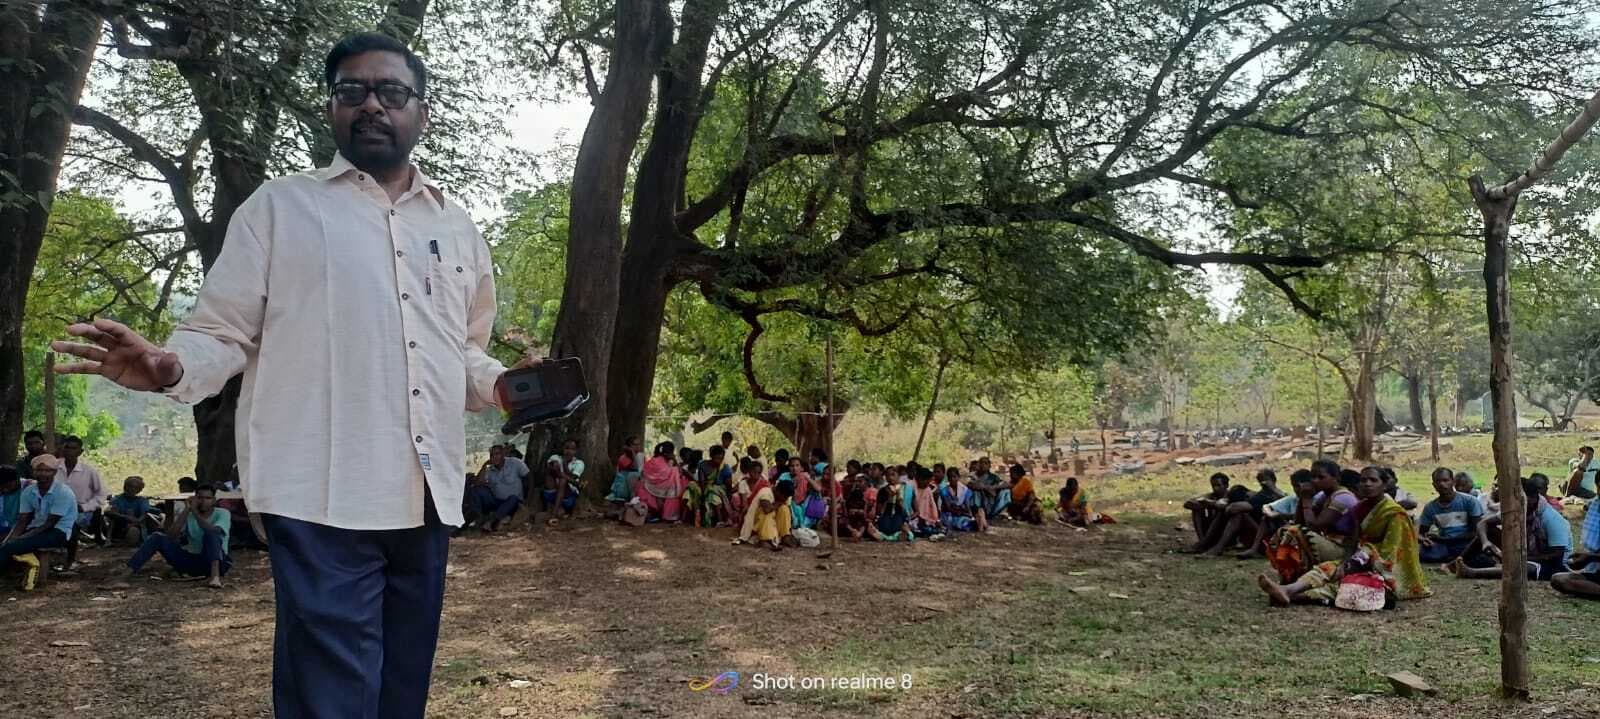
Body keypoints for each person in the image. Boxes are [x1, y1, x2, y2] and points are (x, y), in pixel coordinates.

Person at [49, 33, 539, 719]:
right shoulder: (280, 211)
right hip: (320, 495)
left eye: (391, 92)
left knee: (401, 690)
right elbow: (220, 332)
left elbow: (458, 351)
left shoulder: (456, 229)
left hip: (426, 492)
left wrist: (502, 383)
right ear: (332, 110)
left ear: (421, 113)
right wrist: (170, 364)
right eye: (352, 92)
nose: (371, 105)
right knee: (330, 695)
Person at [1258, 465, 1430, 607]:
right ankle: (1289, 589)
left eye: (1373, 480)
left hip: (1385, 569)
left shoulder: (1395, 513)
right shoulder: (1359, 508)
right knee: (1328, 568)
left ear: (1384, 485)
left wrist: (1361, 560)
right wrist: (1345, 563)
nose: (1367, 484)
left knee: (1351, 584)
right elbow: (1352, 542)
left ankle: (1294, 594)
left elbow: (1393, 553)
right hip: (1359, 559)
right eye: (1363, 481)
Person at [107, 482, 232, 589]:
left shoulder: (223, 513)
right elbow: (171, 536)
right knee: (157, 537)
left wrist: (195, 513)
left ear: (214, 500)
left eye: (208, 498)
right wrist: (186, 510)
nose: (203, 501)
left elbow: (212, 530)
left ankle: (215, 577)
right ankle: (123, 578)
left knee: (211, 533)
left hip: (216, 562)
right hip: (192, 560)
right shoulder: (189, 514)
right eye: (200, 498)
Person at [1450, 474, 1572, 581]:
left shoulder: (1552, 519)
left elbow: (1556, 556)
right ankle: (1455, 563)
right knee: (1491, 532)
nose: (1519, 506)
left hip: (1551, 564)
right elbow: (1483, 523)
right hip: (1525, 552)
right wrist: (1485, 542)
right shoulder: (1516, 508)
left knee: (1522, 567)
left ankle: (1472, 573)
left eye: (1524, 502)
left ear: (1534, 499)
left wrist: (1518, 558)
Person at [1265, 459, 1358, 583]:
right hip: (1329, 542)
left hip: (1343, 549)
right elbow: (1299, 522)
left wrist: (1307, 500)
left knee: (1296, 533)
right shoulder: (1324, 495)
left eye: (1321, 477)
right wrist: (1302, 499)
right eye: (1313, 477)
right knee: (1286, 530)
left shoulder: (1343, 498)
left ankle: (1294, 579)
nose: (1315, 481)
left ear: (1336, 478)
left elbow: (1314, 527)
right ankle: (1289, 577)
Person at [1, 455, 77, 590]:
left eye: (47, 470)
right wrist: (10, 538)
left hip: (58, 531)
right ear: (34, 472)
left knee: (11, 547)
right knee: (5, 544)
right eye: (39, 470)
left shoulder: (63, 492)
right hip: (37, 527)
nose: (43, 474)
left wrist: (22, 538)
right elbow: (22, 520)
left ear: (54, 472)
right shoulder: (29, 491)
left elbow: (50, 523)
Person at [1195, 469, 1284, 556]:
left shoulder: (1267, 496)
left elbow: (1233, 508)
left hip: (1269, 538)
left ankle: (1215, 547)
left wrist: (1218, 504)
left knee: (1239, 514)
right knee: (1231, 511)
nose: (1263, 483)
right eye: (1260, 480)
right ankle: (1205, 544)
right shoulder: (1263, 494)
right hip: (1263, 535)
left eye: (1265, 480)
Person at [1238, 469, 1315, 559]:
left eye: (1298, 486)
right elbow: (1266, 507)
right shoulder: (1293, 498)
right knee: (1266, 519)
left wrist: (1281, 515)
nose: (1296, 490)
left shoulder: (1318, 499)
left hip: (1309, 533)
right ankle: (1254, 549)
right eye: (1294, 486)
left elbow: (1307, 518)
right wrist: (1272, 514)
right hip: (1290, 530)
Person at [56, 435, 109, 564]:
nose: (69, 451)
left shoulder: (89, 471)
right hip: (55, 509)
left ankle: (70, 560)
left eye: (73, 448)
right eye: (67, 448)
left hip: (81, 511)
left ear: (80, 452)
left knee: (71, 525)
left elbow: (101, 495)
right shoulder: (54, 468)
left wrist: (85, 507)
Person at [1417, 466, 1483, 563]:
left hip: (1467, 543)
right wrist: (1424, 540)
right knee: (1422, 553)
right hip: (1445, 545)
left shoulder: (1470, 501)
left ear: (1453, 482)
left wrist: (1444, 539)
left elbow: (1476, 532)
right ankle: (1458, 558)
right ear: (1434, 485)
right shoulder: (1430, 507)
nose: (1442, 484)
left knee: (1477, 552)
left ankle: (1456, 557)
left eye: (1445, 480)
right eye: (1438, 481)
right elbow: (1421, 533)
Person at [469, 445, 527, 532]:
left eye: (497, 454)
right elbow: (477, 483)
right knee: (476, 490)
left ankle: (491, 522)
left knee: (513, 498)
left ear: (503, 454)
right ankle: (478, 518)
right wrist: (485, 465)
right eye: (492, 455)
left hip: (512, 502)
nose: (494, 457)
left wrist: (528, 496)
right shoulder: (490, 469)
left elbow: (529, 477)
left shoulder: (515, 463)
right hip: (496, 501)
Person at [732, 466, 788, 550]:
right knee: (767, 513)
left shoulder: (764, 483)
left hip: (760, 515)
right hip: (753, 516)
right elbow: (766, 509)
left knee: (784, 509)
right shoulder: (765, 491)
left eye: (758, 472)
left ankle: (782, 536)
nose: (755, 475)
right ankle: (767, 539)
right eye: (754, 472)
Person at [636, 441, 686, 523]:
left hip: (655, 488)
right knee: (678, 483)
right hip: (659, 488)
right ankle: (668, 515)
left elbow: (645, 472)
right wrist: (674, 464)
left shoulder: (654, 460)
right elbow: (674, 473)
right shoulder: (666, 461)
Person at [1181, 473, 1231, 551]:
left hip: (1225, 531)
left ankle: (1205, 544)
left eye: (1218, 485)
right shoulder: (1211, 496)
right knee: (1197, 510)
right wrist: (1204, 504)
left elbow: (1223, 506)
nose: (1215, 488)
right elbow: (1188, 503)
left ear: (1226, 485)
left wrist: (1211, 504)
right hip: (1209, 529)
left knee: (1220, 512)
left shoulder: (1231, 496)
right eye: (1213, 486)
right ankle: (1202, 541)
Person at [105, 476, 161, 545]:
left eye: (136, 488)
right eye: (130, 487)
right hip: (120, 525)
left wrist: (133, 523)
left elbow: (143, 516)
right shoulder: (117, 499)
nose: (132, 490)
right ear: (125, 487)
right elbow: (110, 512)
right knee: (111, 518)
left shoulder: (142, 500)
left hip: (136, 526)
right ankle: (109, 539)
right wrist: (125, 517)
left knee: (133, 532)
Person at [544, 438, 585, 523]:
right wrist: (575, 483)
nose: (569, 451)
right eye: (566, 448)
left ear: (576, 451)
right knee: (554, 466)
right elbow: (550, 468)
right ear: (562, 448)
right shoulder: (555, 457)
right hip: (552, 491)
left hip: (568, 496)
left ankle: (553, 515)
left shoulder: (579, 463)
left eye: (572, 449)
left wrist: (564, 465)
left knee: (563, 480)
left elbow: (573, 477)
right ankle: (557, 508)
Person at [607, 435, 645, 507]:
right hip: (625, 485)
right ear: (629, 446)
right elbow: (635, 468)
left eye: (639, 444)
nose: (637, 446)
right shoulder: (623, 458)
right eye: (634, 444)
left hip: (638, 482)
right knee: (633, 476)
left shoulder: (641, 455)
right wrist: (633, 453)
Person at [968, 457, 1011, 522]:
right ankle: (976, 514)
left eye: (985, 463)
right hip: (979, 503)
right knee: (975, 492)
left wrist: (991, 487)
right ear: (978, 465)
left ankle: (1000, 513)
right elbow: (970, 484)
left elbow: (1007, 484)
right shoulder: (973, 475)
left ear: (989, 466)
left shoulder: (993, 477)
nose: (983, 465)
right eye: (981, 463)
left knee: (1006, 491)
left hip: (990, 502)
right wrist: (984, 488)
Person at [939, 467, 979, 532]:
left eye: (954, 477)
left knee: (966, 520)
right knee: (950, 520)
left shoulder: (964, 490)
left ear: (958, 477)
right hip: (949, 514)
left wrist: (969, 514)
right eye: (950, 477)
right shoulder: (944, 491)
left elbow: (967, 505)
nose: (952, 479)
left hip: (961, 513)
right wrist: (961, 512)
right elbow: (948, 507)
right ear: (948, 478)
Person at [0, 467, 26, 538]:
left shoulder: (28, 487)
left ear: (16, 480)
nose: (5, 490)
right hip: (5, 524)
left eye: (7, 486)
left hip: (21, 526)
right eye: (2, 488)